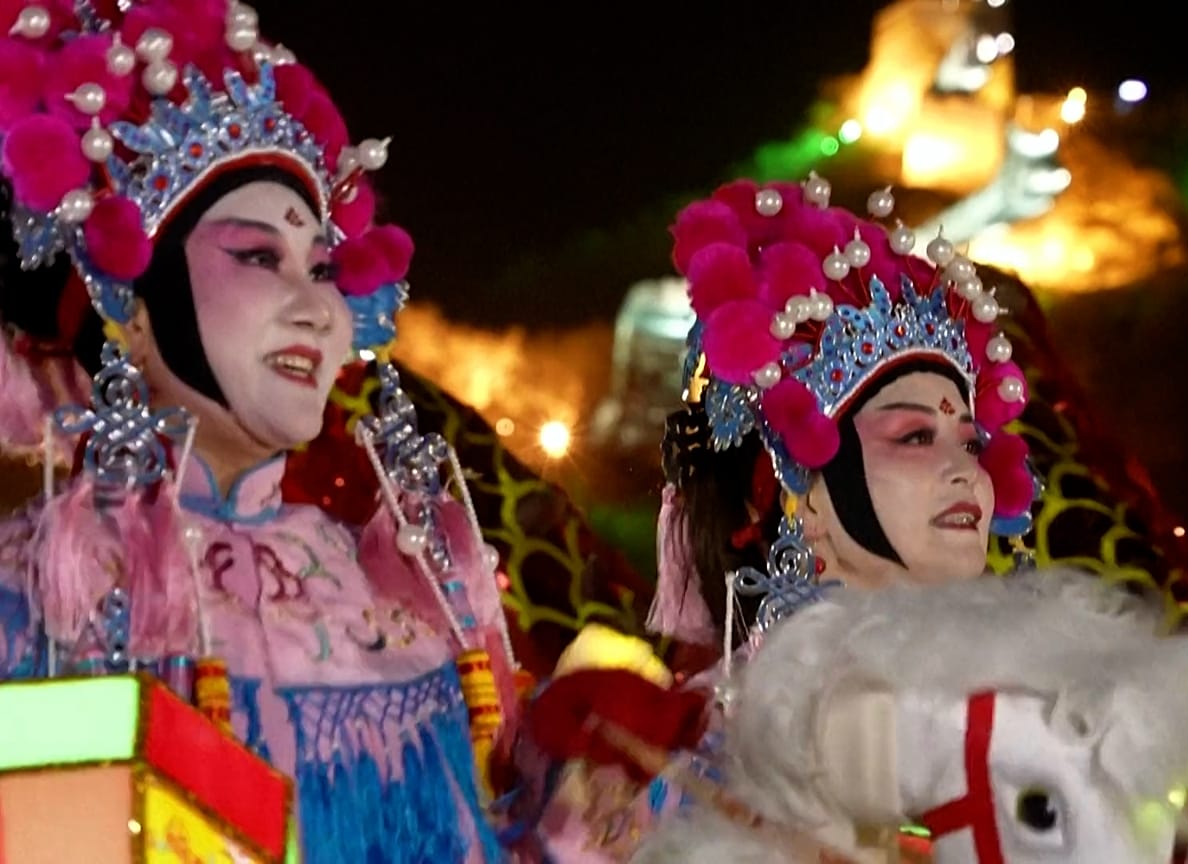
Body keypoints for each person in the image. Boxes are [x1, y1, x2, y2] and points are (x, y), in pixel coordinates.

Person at [0, 2, 519, 860]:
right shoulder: (35, 594)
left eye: (322, 269)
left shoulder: (398, 600)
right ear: (124, 300)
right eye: (256, 257)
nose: (316, 309)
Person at [513, 174, 1044, 860]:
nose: (963, 468)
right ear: (803, 491)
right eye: (914, 436)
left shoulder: (1026, 711)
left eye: (971, 442)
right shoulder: (686, 756)